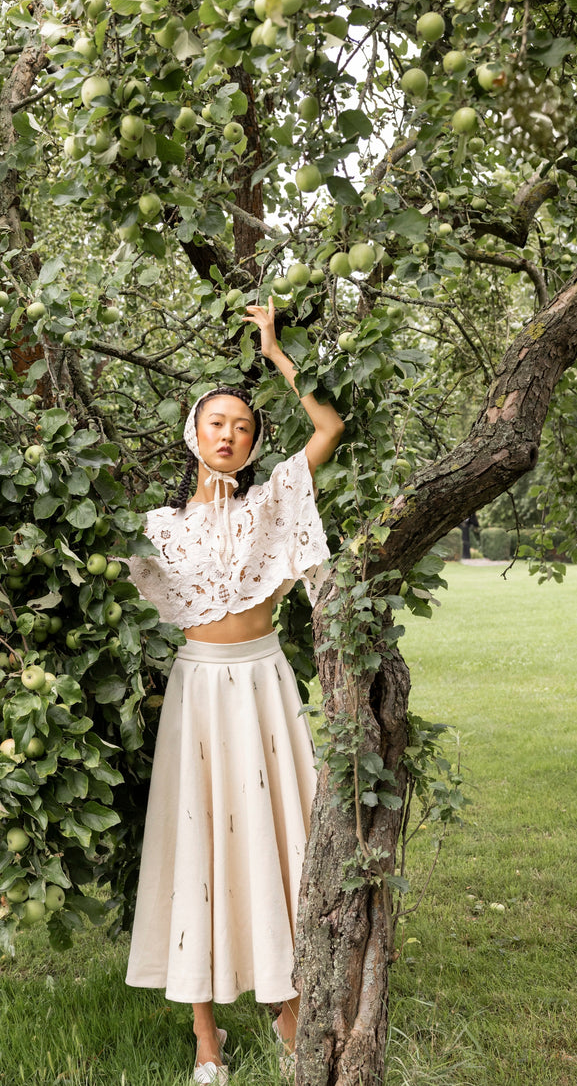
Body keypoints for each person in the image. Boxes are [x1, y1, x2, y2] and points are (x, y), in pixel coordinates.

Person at [123, 298, 344, 1083]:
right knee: (199, 843)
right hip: (199, 694)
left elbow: (328, 431)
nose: (228, 433)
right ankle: (205, 1037)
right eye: (216, 421)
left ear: (253, 445)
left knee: (280, 839)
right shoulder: (154, 528)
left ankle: (288, 1006)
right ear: (194, 434)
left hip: (262, 685)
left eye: (243, 426)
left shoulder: (271, 504)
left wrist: (276, 350)